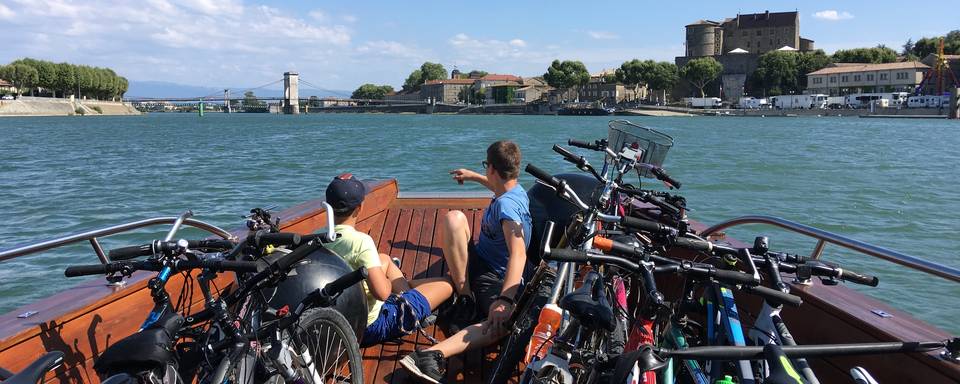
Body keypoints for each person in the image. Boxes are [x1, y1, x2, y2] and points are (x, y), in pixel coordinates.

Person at [400, 140, 532, 383]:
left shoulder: (507, 207)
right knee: (454, 219)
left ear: (492, 168)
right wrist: (472, 176)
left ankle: (428, 353)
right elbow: (498, 187)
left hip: (495, 274)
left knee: (503, 324)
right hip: (483, 264)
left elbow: (519, 253)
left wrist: (504, 299)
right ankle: (461, 302)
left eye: (485, 167)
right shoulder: (515, 191)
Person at [322, 173, 454, 347]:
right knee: (448, 284)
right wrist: (384, 280)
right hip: (371, 326)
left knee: (383, 259)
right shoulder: (360, 242)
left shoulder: (321, 240)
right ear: (360, 208)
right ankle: (412, 311)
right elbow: (382, 293)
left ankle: (409, 296)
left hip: (343, 320)